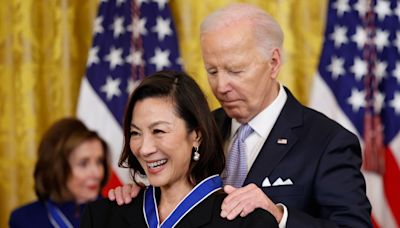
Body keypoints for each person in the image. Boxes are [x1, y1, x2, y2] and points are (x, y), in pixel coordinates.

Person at [108, 3, 372, 227]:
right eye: (212, 71)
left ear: (274, 63)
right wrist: (140, 198)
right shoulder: (199, 128)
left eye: (235, 71)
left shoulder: (327, 141)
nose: (221, 86)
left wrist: (279, 216)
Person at [80, 70, 278, 227]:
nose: (145, 148)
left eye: (158, 131)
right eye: (135, 133)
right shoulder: (102, 216)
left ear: (196, 135)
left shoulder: (248, 223)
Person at [9, 118, 110, 228]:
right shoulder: (24, 219)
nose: (97, 173)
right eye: (83, 164)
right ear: (58, 169)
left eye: (99, 162)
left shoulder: (116, 213)